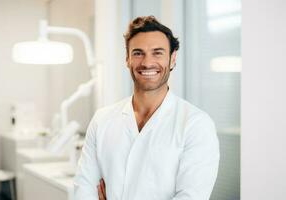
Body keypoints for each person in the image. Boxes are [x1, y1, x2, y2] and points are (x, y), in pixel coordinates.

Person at [74, 16, 220, 200]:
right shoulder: (102, 119)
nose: (147, 62)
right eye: (138, 53)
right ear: (127, 59)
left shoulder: (196, 124)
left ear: (172, 58)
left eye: (157, 52)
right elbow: (84, 189)